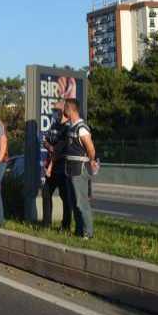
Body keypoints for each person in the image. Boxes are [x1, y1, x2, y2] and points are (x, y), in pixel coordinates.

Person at [62, 99, 98, 239]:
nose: (63, 111)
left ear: (70, 109)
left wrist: (91, 161)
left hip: (79, 169)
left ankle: (88, 233)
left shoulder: (82, 128)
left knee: (81, 202)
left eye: (65, 108)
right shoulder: (71, 127)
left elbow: (91, 149)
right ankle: (78, 231)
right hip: (70, 168)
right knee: (74, 202)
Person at [41, 104, 71, 229]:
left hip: (62, 167)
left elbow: (61, 148)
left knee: (65, 197)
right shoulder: (54, 125)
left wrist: (54, 148)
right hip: (52, 167)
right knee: (46, 193)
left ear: (63, 111)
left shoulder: (68, 127)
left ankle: (65, 225)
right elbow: (45, 141)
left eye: (55, 110)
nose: (53, 112)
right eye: (53, 110)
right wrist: (50, 146)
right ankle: (46, 224)